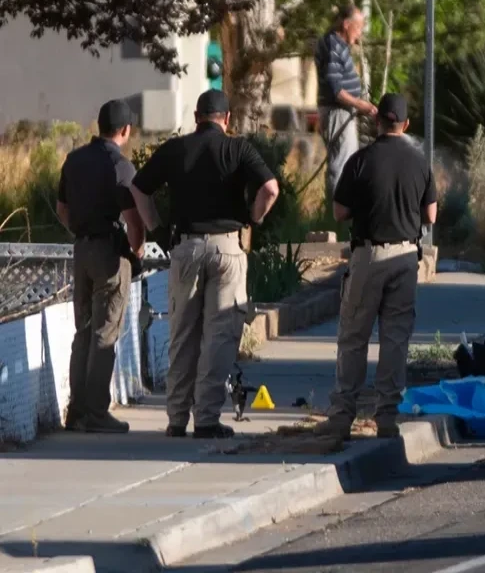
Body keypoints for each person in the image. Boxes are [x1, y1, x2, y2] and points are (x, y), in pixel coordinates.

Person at [130, 90, 280, 439]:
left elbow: (139, 190)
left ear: (197, 116)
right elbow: (270, 188)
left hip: (185, 247)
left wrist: (156, 228)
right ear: (226, 119)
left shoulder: (175, 149)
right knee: (220, 336)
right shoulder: (238, 148)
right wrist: (253, 219)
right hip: (228, 248)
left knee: (183, 333)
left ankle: (176, 418)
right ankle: (208, 418)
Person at [317, 93, 437, 440]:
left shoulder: (361, 160)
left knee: (354, 335)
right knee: (395, 337)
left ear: (377, 121)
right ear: (406, 124)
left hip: (368, 256)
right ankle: (386, 416)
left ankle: (343, 416)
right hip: (405, 258)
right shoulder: (419, 162)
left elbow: (340, 211)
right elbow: (430, 215)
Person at [55, 99, 146, 434]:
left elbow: (62, 208)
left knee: (83, 333)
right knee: (105, 333)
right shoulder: (120, 166)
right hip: (109, 252)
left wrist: (81, 235)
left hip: (81, 250)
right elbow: (135, 222)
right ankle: (96, 411)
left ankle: (76, 411)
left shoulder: (74, 160)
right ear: (124, 130)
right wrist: (135, 252)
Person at [314, 0, 376, 212]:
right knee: (342, 164)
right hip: (337, 112)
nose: (359, 34)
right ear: (346, 25)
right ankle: (337, 214)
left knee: (345, 161)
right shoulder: (333, 46)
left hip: (341, 112)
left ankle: (340, 210)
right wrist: (362, 105)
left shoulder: (339, 45)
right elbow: (336, 90)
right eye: (358, 28)